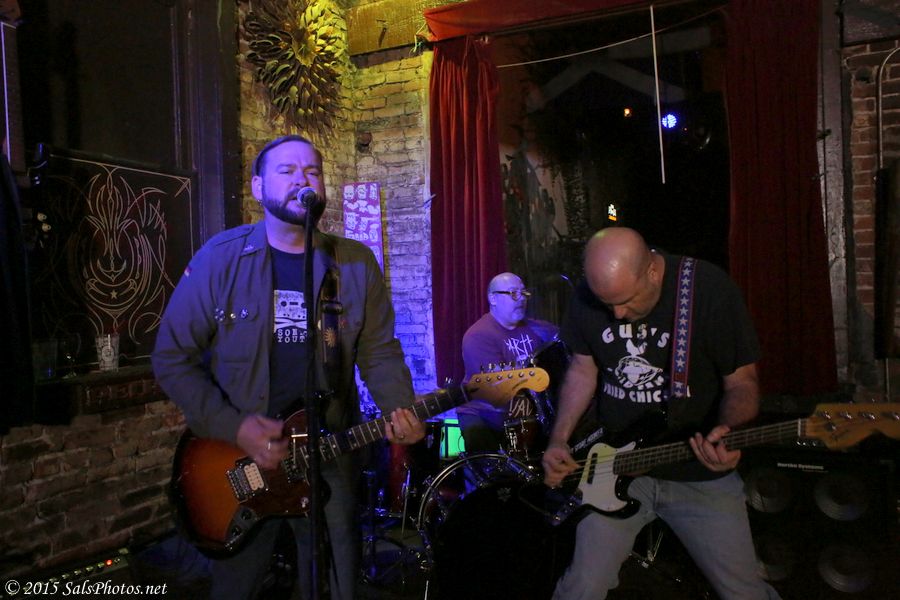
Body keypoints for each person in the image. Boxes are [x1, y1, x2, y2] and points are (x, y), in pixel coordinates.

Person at [152, 134, 425, 600]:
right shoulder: (221, 258)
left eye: (312, 171)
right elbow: (171, 357)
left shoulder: (355, 264)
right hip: (241, 458)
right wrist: (234, 427)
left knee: (335, 584)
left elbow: (379, 351)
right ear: (258, 188)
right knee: (237, 586)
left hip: (329, 449)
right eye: (287, 171)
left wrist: (400, 408)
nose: (303, 180)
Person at [542, 227, 779, 599]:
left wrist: (729, 432)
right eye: (607, 304)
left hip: (697, 471)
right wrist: (559, 439)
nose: (618, 314)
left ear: (652, 271)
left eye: (626, 301)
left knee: (742, 591)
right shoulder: (590, 294)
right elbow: (583, 369)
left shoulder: (708, 289)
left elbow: (742, 383)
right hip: (616, 467)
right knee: (581, 586)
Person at [459, 272, 558, 453]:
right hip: (487, 417)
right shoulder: (478, 336)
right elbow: (497, 390)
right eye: (513, 293)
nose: (521, 299)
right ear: (493, 298)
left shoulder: (538, 329)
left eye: (523, 293)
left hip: (526, 413)